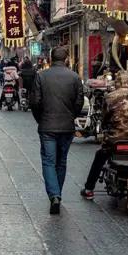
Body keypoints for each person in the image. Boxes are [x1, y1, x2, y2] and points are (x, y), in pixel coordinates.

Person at [80, 72, 128, 205]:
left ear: (117, 83)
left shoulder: (111, 97)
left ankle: (89, 189)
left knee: (100, 157)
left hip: (115, 141)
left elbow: (104, 118)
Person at [30, 47, 84, 214]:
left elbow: (35, 102)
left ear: (51, 59)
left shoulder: (41, 76)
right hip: (67, 126)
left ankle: (54, 195)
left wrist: (41, 118)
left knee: (48, 161)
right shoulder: (75, 77)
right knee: (61, 161)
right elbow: (79, 102)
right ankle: (57, 194)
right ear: (66, 59)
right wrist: (71, 116)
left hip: (47, 126)